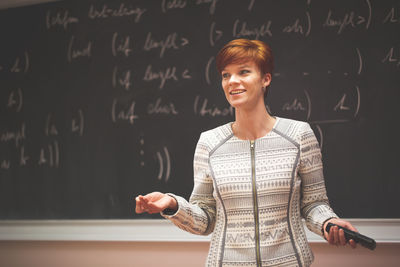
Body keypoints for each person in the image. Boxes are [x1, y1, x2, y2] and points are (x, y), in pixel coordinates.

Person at [135, 39, 358, 267]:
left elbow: (313, 203)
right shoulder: (209, 142)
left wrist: (329, 223)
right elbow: (206, 220)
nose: (232, 81)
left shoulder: (299, 135)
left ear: (265, 79)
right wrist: (172, 204)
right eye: (225, 75)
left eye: (243, 72)